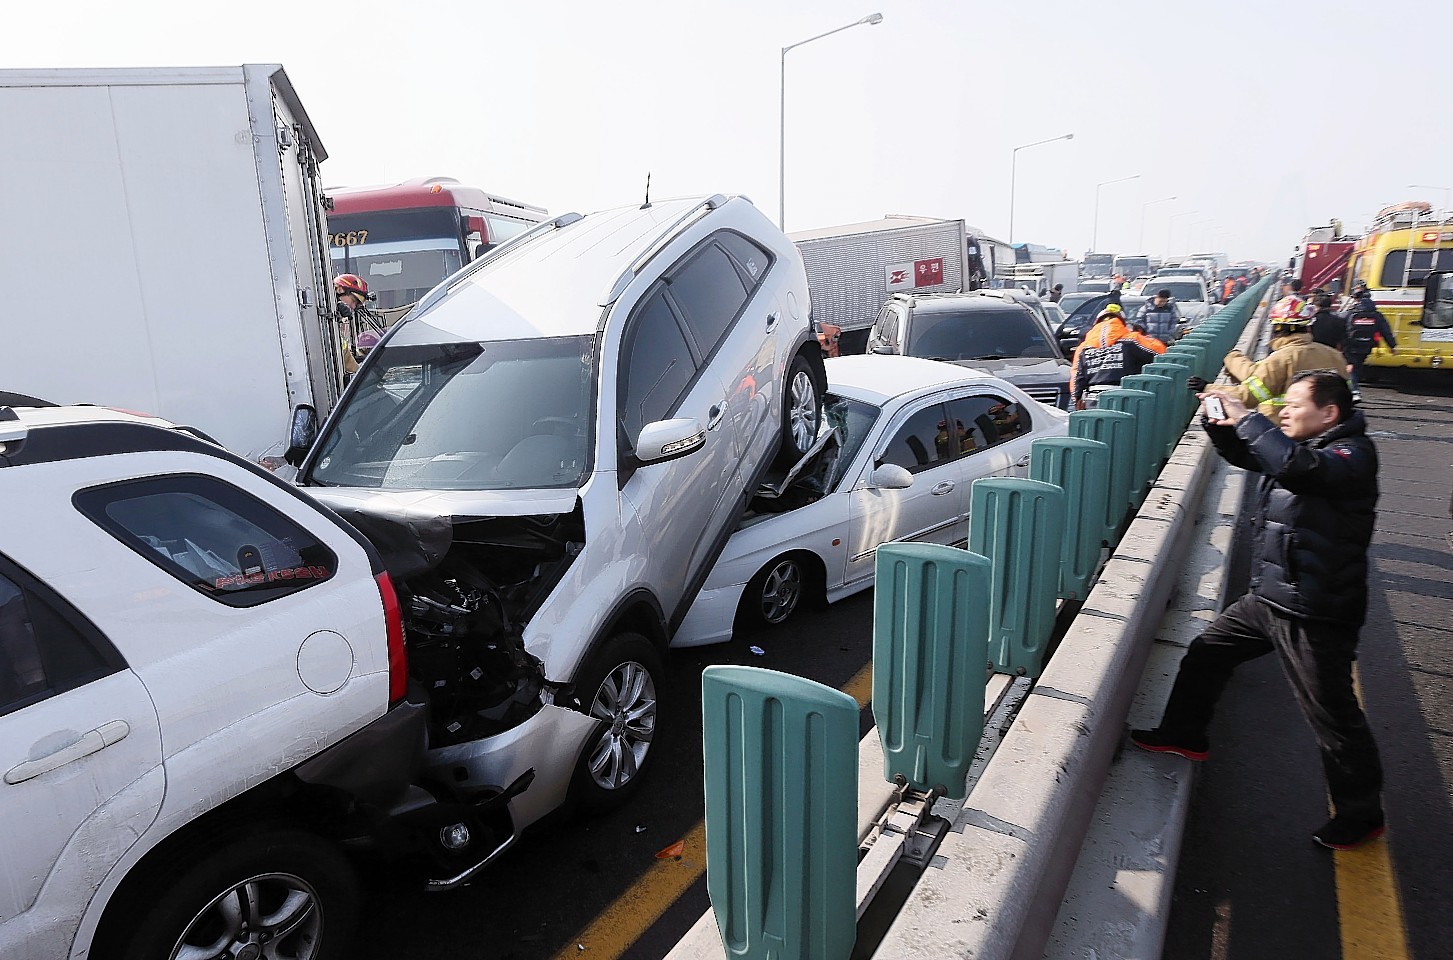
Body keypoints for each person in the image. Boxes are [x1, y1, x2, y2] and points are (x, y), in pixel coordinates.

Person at [1132, 372, 1385, 850]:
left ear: (1328, 413)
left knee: (1333, 717)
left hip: (1314, 612)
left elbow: (1297, 468)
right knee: (1207, 652)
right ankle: (1184, 734)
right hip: (1271, 597)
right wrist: (1220, 422)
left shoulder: (1352, 455)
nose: (1284, 411)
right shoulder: (1302, 446)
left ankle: (1362, 815)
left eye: (1293, 405)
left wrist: (1249, 416)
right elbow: (1250, 456)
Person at [1220, 312, 1346, 417]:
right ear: (1307, 327)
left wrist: (1207, 388)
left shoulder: (1281, 358)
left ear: (1277, 328)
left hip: (1280, 431)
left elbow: (1247, 396)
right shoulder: (1335, 355)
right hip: (1326, 426)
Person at [1069, 303, 1166, 409]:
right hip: (1126, 398)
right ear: (1122, 322)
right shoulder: (1132, 340)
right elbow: (1161, 355)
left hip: (1094, 401)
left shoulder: (1083, 348)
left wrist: (1076, 399)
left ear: (1096, 323)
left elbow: (1076, 378)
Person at [1343, 286, 1397, 401]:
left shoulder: (1350, 313)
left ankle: (1353, 390)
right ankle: (1352, 389)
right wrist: (1392, 346)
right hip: (1366, 345)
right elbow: (1385, 331)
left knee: (1350, 367)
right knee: (1356, 368)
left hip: (1351, 346)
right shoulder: (1377, 315)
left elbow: (1340, 326)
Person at [333, 273, 383, 382]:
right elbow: (344, 357)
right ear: (340, 290)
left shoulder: (337, 322)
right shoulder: (329, 323)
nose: (353, 307)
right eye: (353, 301)